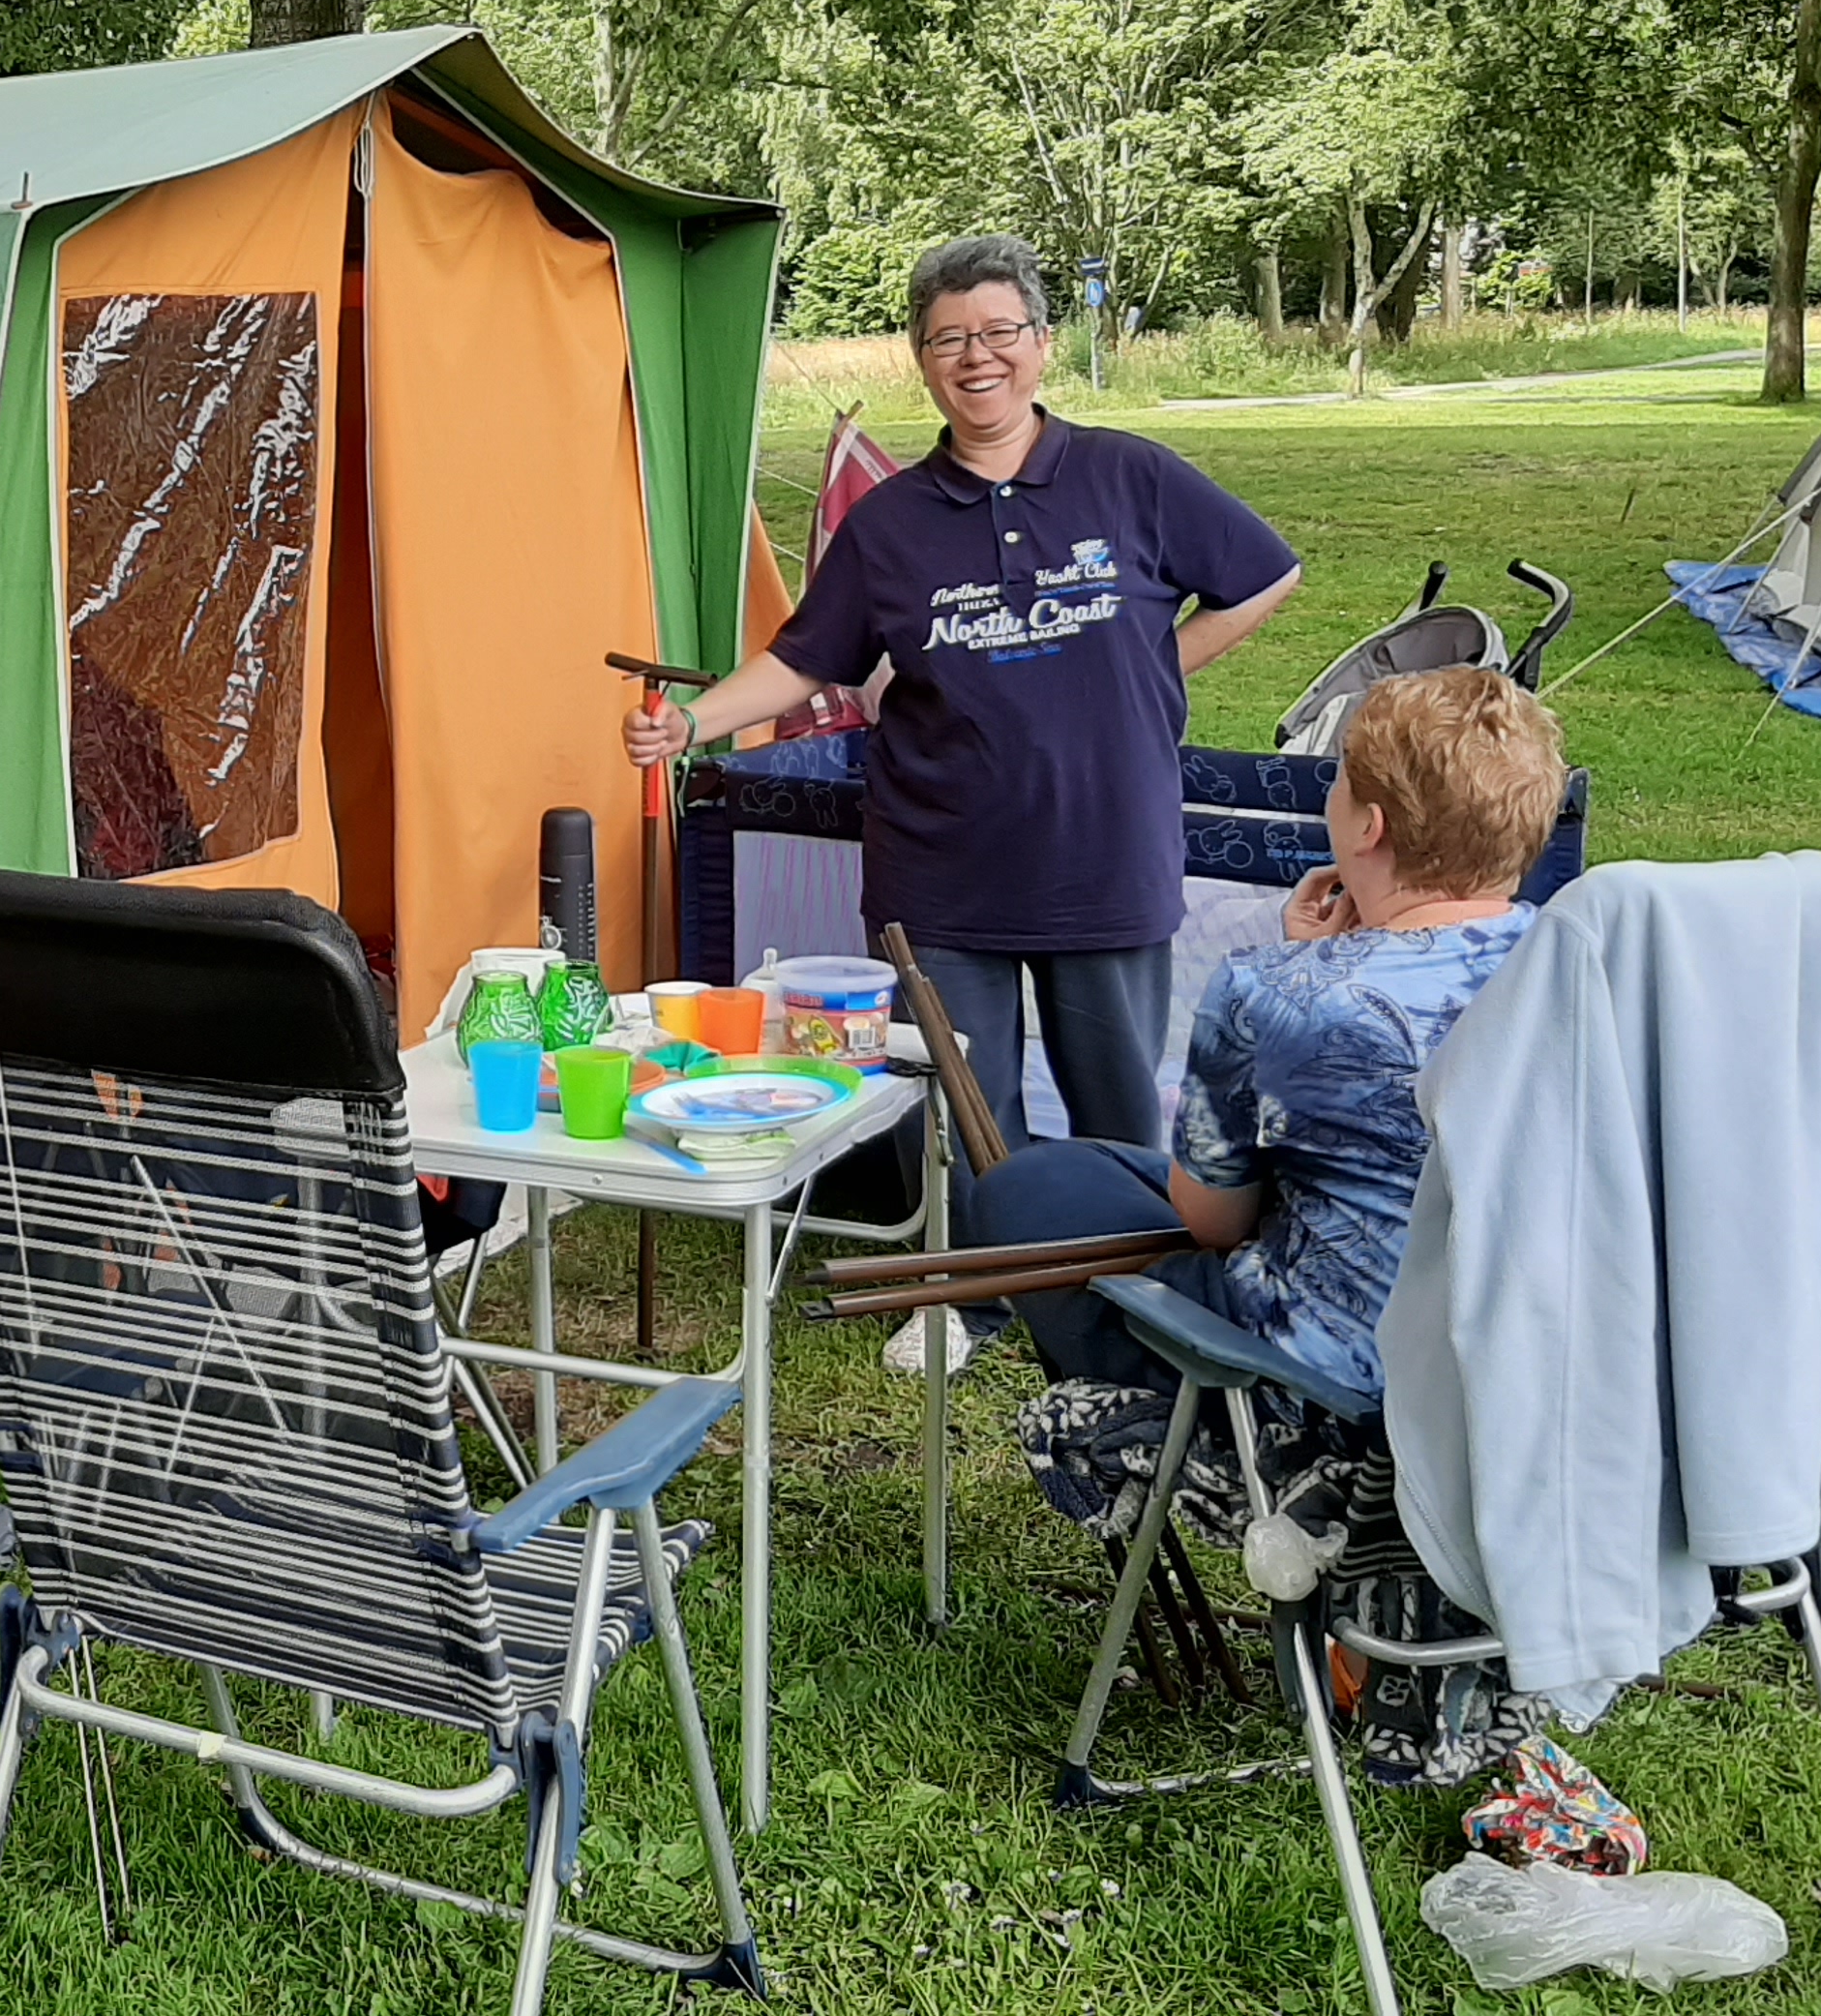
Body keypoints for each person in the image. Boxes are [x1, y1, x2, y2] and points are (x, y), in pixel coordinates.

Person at [623, 234, 1301, 1368]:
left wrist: (1158, 666)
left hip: (1105, 855)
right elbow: (807, 659)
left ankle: (1134, 1290)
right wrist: (693, 723)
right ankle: (982, 1300)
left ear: (1041, 345)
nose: (976, 358)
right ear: (922, 362)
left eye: (999, 333)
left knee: (1118, 1109)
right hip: (940, 868)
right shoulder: (888, 523)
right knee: (969, 1108)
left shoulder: (1129, 474)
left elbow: (1266, 572)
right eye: (949, 341)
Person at [959, 665, 1572, 1409]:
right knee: (1096, 1170)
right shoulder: (1581, 971)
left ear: (1369, 824)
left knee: (1031, 1188)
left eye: (1339, 782)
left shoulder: (1274, 992)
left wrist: (1300, 965)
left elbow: (1211, 1223)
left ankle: (1171, 1426)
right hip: (1538, 1360)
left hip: (1337, 1384)